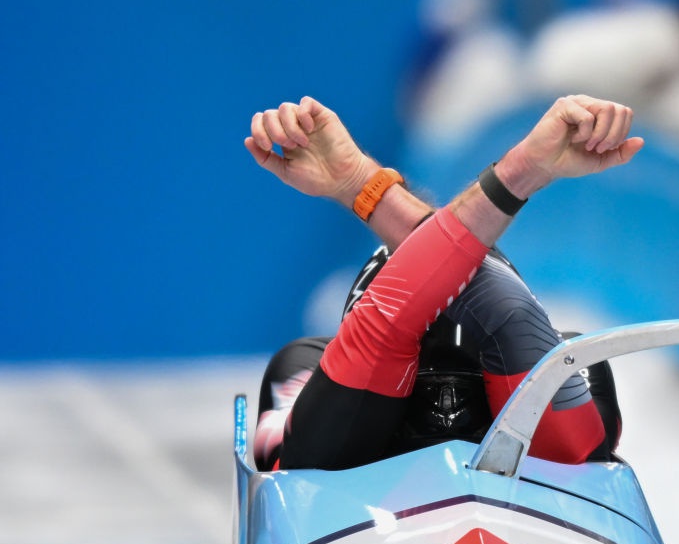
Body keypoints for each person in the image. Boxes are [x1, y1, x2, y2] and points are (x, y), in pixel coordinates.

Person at [244, 94, 643, 471]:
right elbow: (385, 328)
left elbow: (508, 314)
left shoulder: (569, 359)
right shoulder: (302, 366)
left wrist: (361, 185)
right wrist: (522, 170)